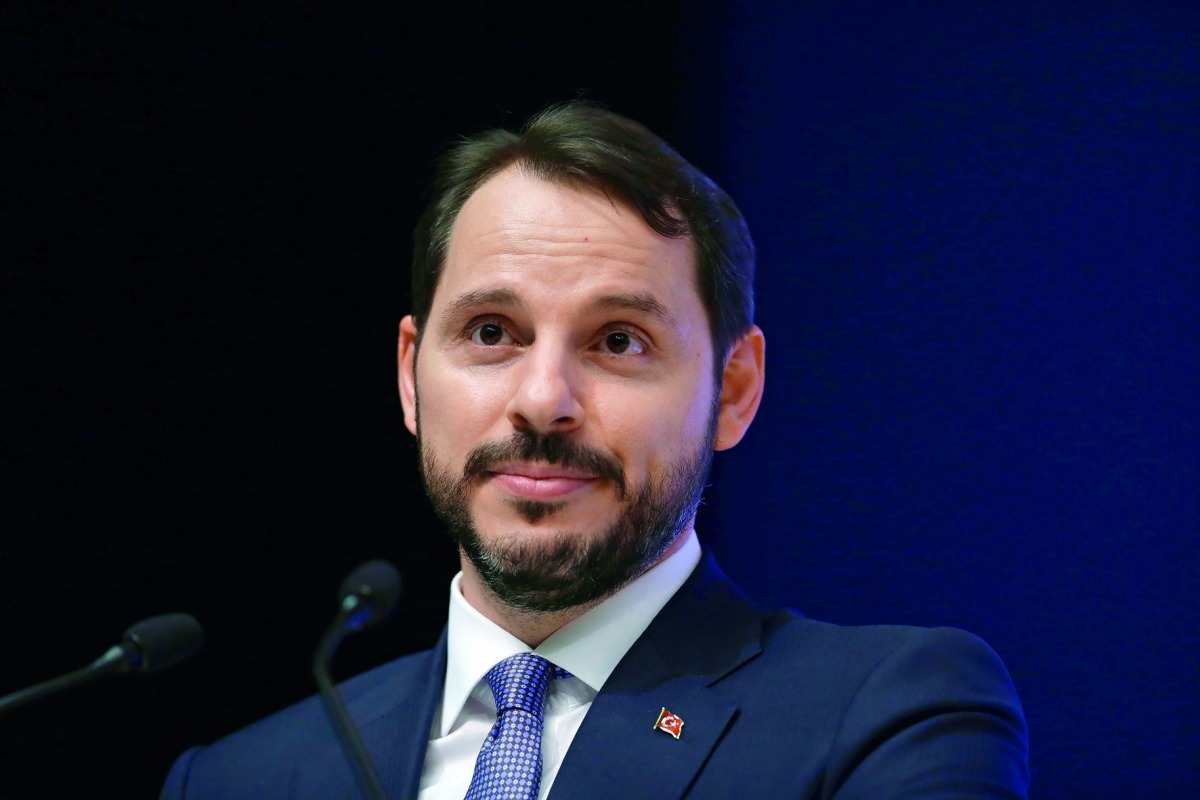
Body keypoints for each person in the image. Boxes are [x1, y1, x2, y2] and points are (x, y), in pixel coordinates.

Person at [161, 102, 1029, 799]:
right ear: (410, 377)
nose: (543, 401)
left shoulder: (889, 716)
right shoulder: (242, 778)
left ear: (733, 391)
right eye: (492, 332)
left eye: (618, 341)